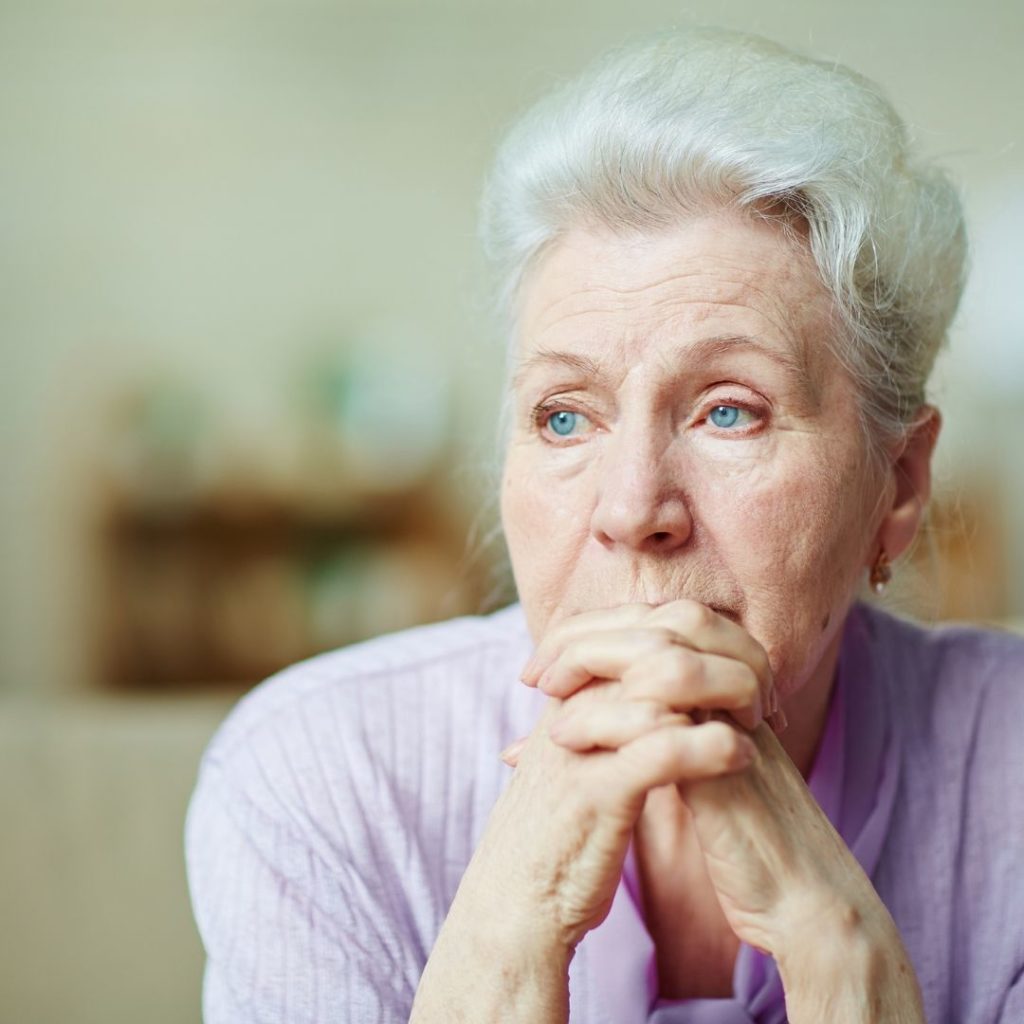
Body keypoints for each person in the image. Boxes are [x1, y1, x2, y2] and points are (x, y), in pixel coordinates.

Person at [185, 27, 1024, 1023]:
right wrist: (507, 931)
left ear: (897, 482)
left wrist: (840, 957)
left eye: (728, 410)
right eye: (564, 415)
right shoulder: (319, 779)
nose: (632, 511)